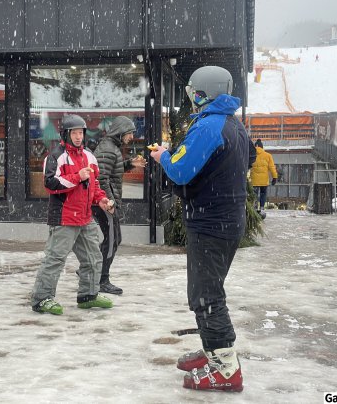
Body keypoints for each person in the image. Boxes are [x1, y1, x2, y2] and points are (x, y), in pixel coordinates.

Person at [150, 66, 255, 392]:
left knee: (205, 296)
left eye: (193, 93)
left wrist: (163, 156)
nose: (191, 100)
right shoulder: (232, 124)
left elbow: (180, 172)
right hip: (226, 220)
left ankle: (225, 369)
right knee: (209, 292)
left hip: (211, 224)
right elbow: (249, 157)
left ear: (203, 94)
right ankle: (215, 351)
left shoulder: (209, 127)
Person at [30, 114, 114, 315]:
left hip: (85, 218)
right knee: (55, 259)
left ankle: (88, 296)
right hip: (64, 218)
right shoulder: (55, 157)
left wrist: (101, 200)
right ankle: (41, 299)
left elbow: (94, 185)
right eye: (74, 133)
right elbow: (51, 184)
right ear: (65, 134)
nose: (78, 137)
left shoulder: (89, 156)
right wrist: (77, 177)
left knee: (94, 258)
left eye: (81, 133)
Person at [91, 116, 146, 295]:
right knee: (113, 240)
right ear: (121, 131)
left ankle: (92, 268)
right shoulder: (108, 148)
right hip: (104, 204)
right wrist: (109, 202)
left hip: (105, 203)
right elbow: (100, 178)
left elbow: (111, 169)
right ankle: (101, 280)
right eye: (129, 133)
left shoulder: (111, 147)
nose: (131, 137)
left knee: (112, 239)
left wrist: (130, 163)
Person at [250, 139, 278, 218]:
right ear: (262, 147)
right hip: (264, 180)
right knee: (263, 194)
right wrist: (274, 177)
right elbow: (272, 167)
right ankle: (262, 208)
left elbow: (248, 166)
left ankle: (255, 208)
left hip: (254, 180)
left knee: (254, 194)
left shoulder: (252, 155)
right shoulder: (268, 155)